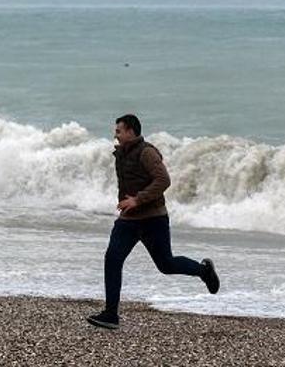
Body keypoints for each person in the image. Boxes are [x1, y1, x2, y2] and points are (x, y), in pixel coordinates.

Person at [87, 114, 220, 330]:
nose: (115, 134)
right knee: (112, 259)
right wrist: (128, 203)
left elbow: (164, 180)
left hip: (153, 219)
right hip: (128, 221)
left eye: (119, 131)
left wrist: (137, 200)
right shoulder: (122, 152)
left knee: (166, 265)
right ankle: (111, 314)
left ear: (131, 131)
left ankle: (204, 271)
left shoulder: (147, 152)